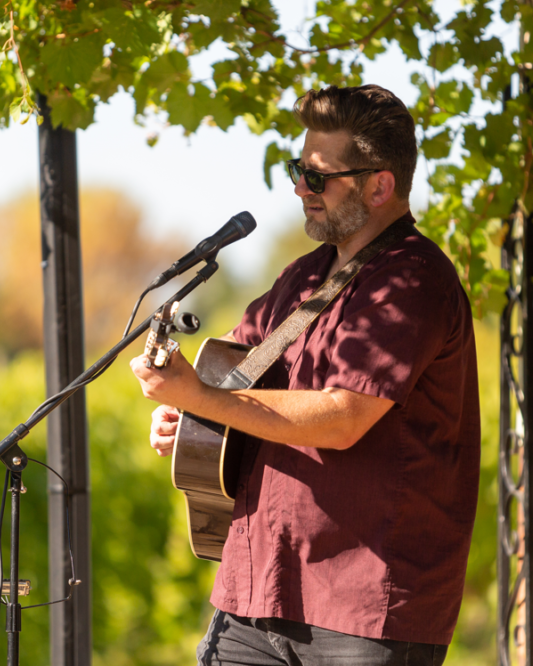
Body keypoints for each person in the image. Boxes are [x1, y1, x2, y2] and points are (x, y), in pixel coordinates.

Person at [130, 84, 480, 666]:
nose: (299, 188)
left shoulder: (412, 281)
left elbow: (344, 417)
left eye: (317, 177)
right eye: (298, 170)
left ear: (379, 184)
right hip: (255, 592)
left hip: (364, 608)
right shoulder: (302, 278)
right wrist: (188, 415)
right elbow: (230, 376)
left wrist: (203, 399)